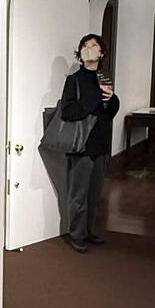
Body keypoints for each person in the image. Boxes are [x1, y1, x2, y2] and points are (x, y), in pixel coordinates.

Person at [61, 34, 120, 253]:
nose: (89, 48)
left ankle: (88, 231)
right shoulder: (74, 80)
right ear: (80, 53)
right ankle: (76, 234)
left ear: (101, 53)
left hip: (100, 144)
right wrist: (95, 97)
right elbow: (68, 111)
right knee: (78, 194)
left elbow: (109, 112)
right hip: (81, 146)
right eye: (85, 46)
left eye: (94, 45)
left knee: (95, 194)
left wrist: (113, 99)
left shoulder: (104, 78)